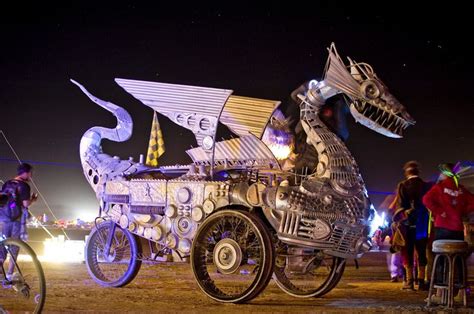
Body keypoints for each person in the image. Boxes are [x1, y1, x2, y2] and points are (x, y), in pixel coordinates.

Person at [395, 161, 432, 291]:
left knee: (407, 251)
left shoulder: (402, 186)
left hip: (407, 224)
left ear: (407, 172)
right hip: (422, 224)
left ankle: (409, 282)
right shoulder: (426, 185)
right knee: (422, 252)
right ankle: (422, 282)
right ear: (418, 172)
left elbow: (399, 207)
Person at [0, 163, 38, 279]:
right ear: (25, 173)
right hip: (16, 219)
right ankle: (10, 273)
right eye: (30, 173)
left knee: (2, 246)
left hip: (2, 218)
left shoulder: (6, 183)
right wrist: (33, 200)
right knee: (15, 246)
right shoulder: (24, 186)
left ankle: (0, 272)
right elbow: (25, 204)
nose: (31, 176)